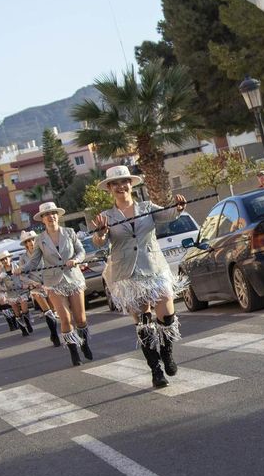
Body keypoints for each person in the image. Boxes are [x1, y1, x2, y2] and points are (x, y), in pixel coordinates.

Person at [90, 166, 187, 389]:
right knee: (144, 323)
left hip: (154, 267)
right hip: (127, 274)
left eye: (125, 182)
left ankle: (167, 352)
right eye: (116, 183)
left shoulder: (147, 207)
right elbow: (99, 242)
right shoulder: (106, 216)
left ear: (131, 185)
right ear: (110, 189)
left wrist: (179, 208)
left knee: (167, 316)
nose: (121, 186)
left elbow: (168, 214)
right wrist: (101, 233)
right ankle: (156, 370)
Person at [20, 203, 94, 365]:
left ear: (57, 216)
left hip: (73, 278)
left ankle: (84, 343)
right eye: (47, 214)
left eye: (53, 213)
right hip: (53, 282)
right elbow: (34, 262)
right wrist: (22, 270)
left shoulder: (69, 232)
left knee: (80, 319)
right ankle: (74, 352)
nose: (51, 216)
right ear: (42, 219)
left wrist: (76, 260)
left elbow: (81, 251)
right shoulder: (40, 240)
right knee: (65, 319)